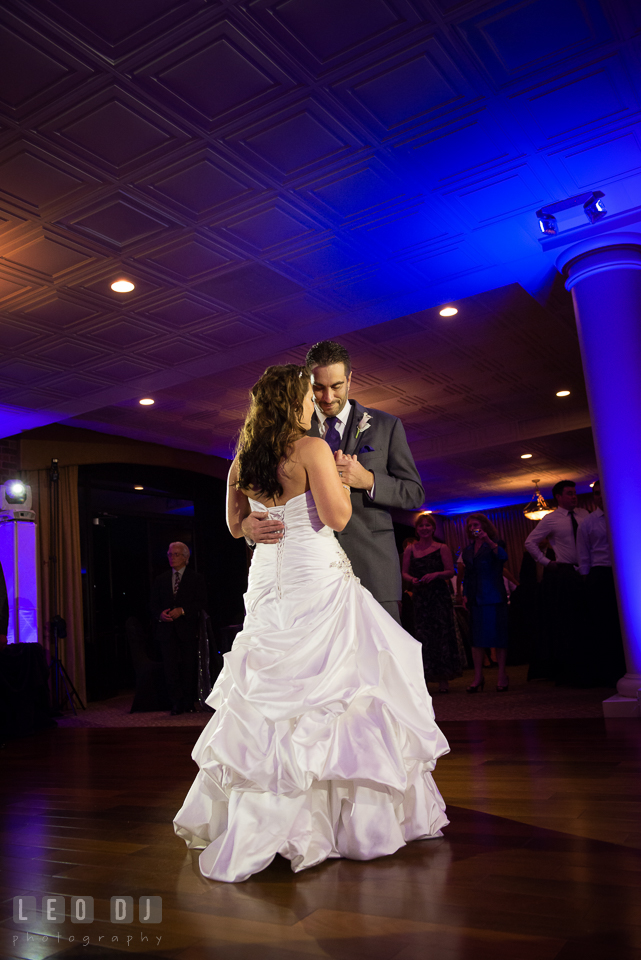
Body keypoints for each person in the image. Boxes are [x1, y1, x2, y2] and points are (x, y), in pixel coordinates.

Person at [173, 364, 449, 883]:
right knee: (338, 690)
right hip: (313, 575)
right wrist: (346, 477)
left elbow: (235, 525)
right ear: (292, 402)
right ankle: (345, 823)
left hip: (269, 580)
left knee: (270, 693)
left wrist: (250, 527)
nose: (314, 402)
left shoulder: (244, 457)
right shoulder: (310, 448)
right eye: (307, 394)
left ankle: (266, 815)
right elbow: (339, 518)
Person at [239, 341, 425, 624]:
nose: (327, 397)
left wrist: (369, 480)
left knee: (379, 660)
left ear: (350, 379)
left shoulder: (387, 426)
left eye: (336, 386)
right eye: (318, 387)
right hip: (309, 575)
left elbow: (414, 493)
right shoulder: (292, 431)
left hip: (373, 566)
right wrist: (246, 528)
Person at [524, 480, 588, 683]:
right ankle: (570, 668)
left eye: (574, 493)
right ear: (559, 497)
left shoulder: (584, 516)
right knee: (570, 621)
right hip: (566, 571)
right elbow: (530, 542)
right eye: (569, 493)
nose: (573, 496)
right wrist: (546, 562)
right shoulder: (552, 519)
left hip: (589, 570)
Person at [402, 513, 462, 693]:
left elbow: (451, 572)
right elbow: (404, 572)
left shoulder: (442, 547)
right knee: (423, 637)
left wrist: (436, 574)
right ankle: (425, 679)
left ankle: (444, 679)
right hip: (421, 597)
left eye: (428, 525)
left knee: (442, 635)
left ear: (433, 529)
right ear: (417, 529)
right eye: (421, 526)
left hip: (438, 596)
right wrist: (412, 580)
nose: (425, 528)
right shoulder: (410, 549)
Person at [577, 480, 626, 685]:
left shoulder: (625, 513)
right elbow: (584, 554)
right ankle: (612, 671)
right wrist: (588, 581)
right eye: (596, 493)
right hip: (601, 574)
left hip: (625, 572)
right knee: (606, 625)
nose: (599, 496)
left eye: (601, 492)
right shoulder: (587, 523)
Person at [150, 542, 207, 716]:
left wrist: (182, 611)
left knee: (189, 667)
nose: (172, 558)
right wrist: (160, 615)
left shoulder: (195, 578)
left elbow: (202, 602)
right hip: (167, 632)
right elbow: (152, 605)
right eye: (169, 554)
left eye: (176, 554)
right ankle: (176, 703)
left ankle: (189, 702)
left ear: (185, 557)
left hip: (187, 630)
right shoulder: (161, 579)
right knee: (170, 669)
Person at [461, 514, 509, 692]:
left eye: (476, 524)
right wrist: (465, 594)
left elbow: (503, 558)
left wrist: (488, 540)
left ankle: (502, 675)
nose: (473, 527)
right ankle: (478, 676)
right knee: (476, 639)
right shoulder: (468, 550)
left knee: (499, 636)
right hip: (475, 597)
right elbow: (467, 575)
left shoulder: (496, 543)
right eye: (470, 525)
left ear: (485, 527)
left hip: (494, 595)